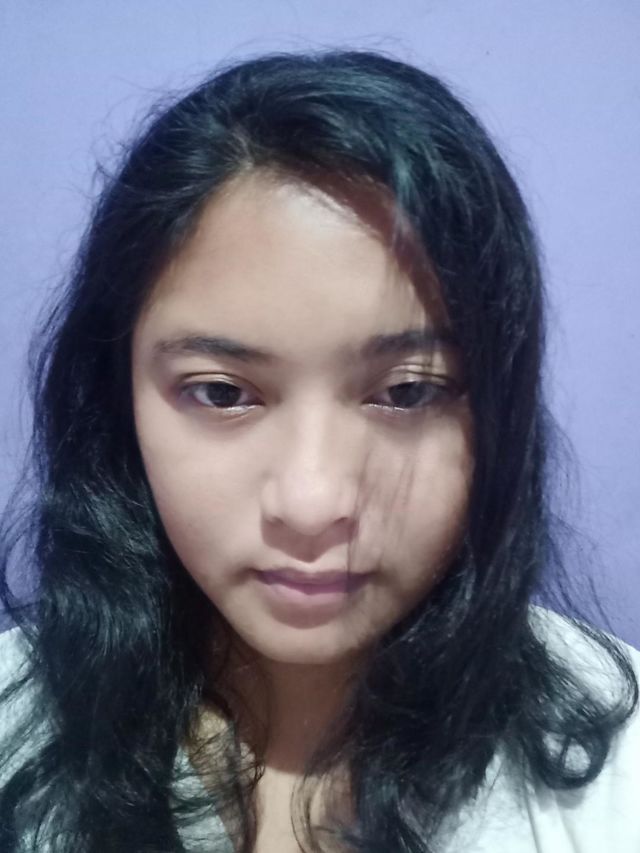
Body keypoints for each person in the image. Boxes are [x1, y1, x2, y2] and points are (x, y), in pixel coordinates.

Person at [0, 49, 638, 853]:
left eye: (407, 392)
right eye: (221, 392)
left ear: (498, 413)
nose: (312, 504)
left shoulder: (618, 771)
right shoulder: (17, 726)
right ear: (115, 398)